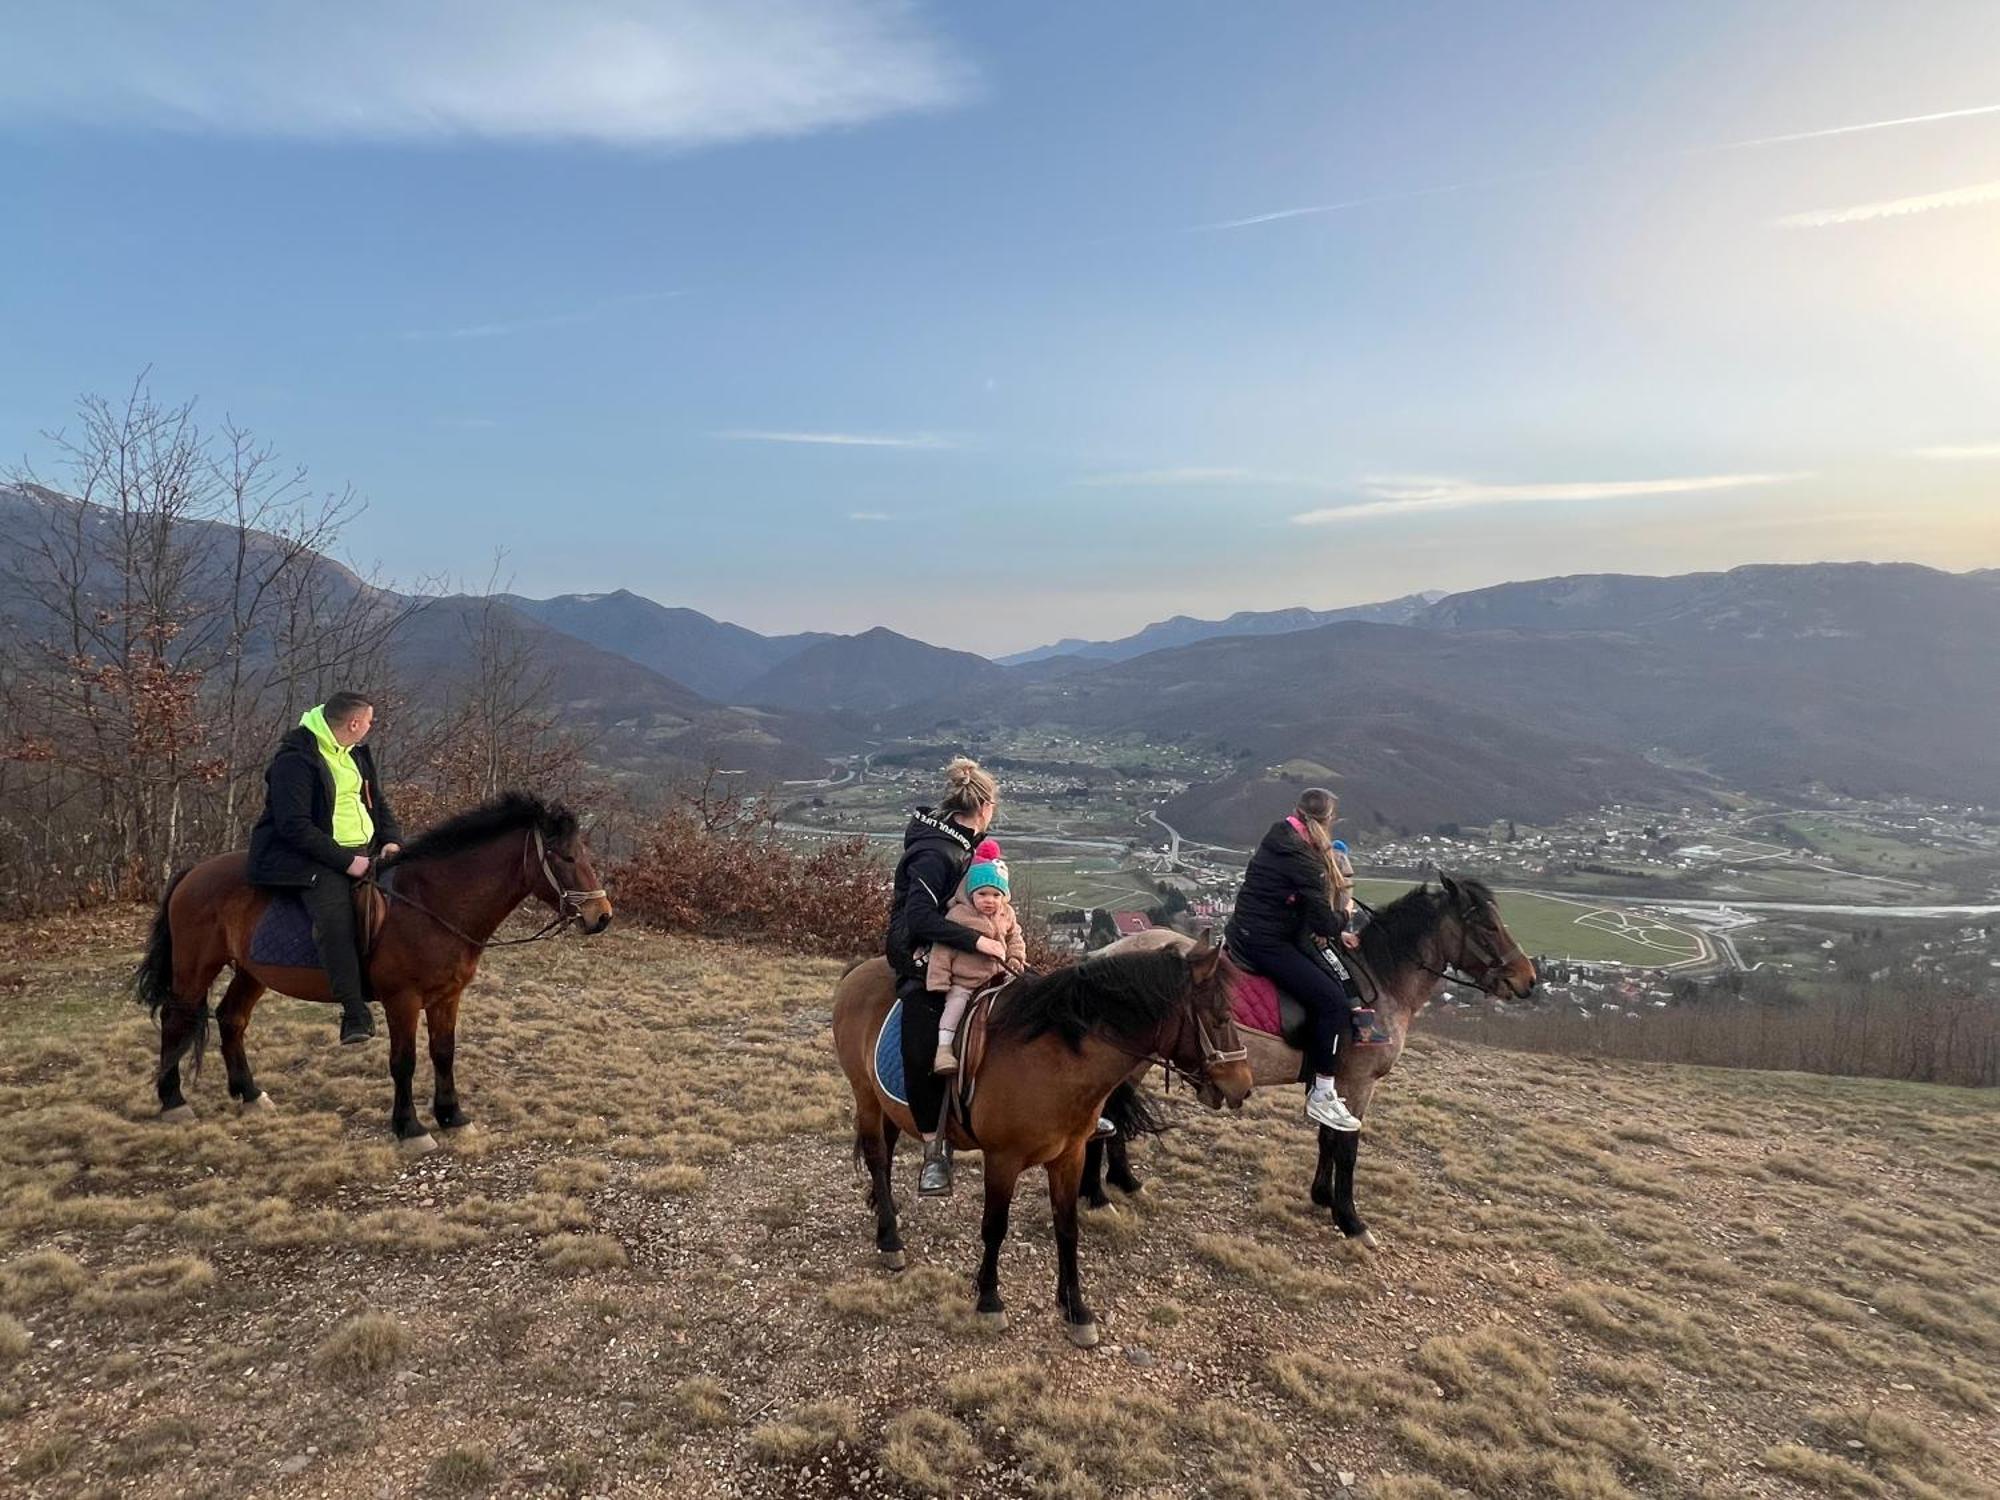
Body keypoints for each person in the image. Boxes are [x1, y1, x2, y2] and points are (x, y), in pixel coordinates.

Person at [246, 691, 402, 1045]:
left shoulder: (355, 753)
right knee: (336, 922)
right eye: (369, 721)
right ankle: (353, 1012)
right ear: (353, 723)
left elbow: (376, 802)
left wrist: (391, 839)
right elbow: (294, 826)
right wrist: (349, 862)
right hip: (309, 858)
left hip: (364, 850)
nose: (370, 727)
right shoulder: (295, 761)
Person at [885, 756, 1005, 1196]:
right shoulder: (937, 852)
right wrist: (977, 943)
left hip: (963, 946)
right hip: (919, 952)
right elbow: (917, 918)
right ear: (986, 804)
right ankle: (935, 1150)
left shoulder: (971, 844)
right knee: (921, 1035)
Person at [1224, 787, 1373, 1133]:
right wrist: (1345, 917)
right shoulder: (1305, 859)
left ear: (1297, 811)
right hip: (1266, 943)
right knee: (1333, 1003)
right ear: (1330, 820)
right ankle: (1322, 1093)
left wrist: (1333, 933)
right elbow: (1322, 920)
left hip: (1249, 931)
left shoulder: (1281, 837)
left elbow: (1294, 904)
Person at [927, 859, 1026, 1073]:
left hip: (1000, 978)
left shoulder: (1006, 914)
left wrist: (1015, 959)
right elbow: (942, 950)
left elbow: (1015, 938)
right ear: (971, 894)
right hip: (966, 981)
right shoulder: (958, 916)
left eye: (996, 895)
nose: (989, 900)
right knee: (955, 1007)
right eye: (982, 894)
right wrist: (939, 981)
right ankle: (943, 1049)